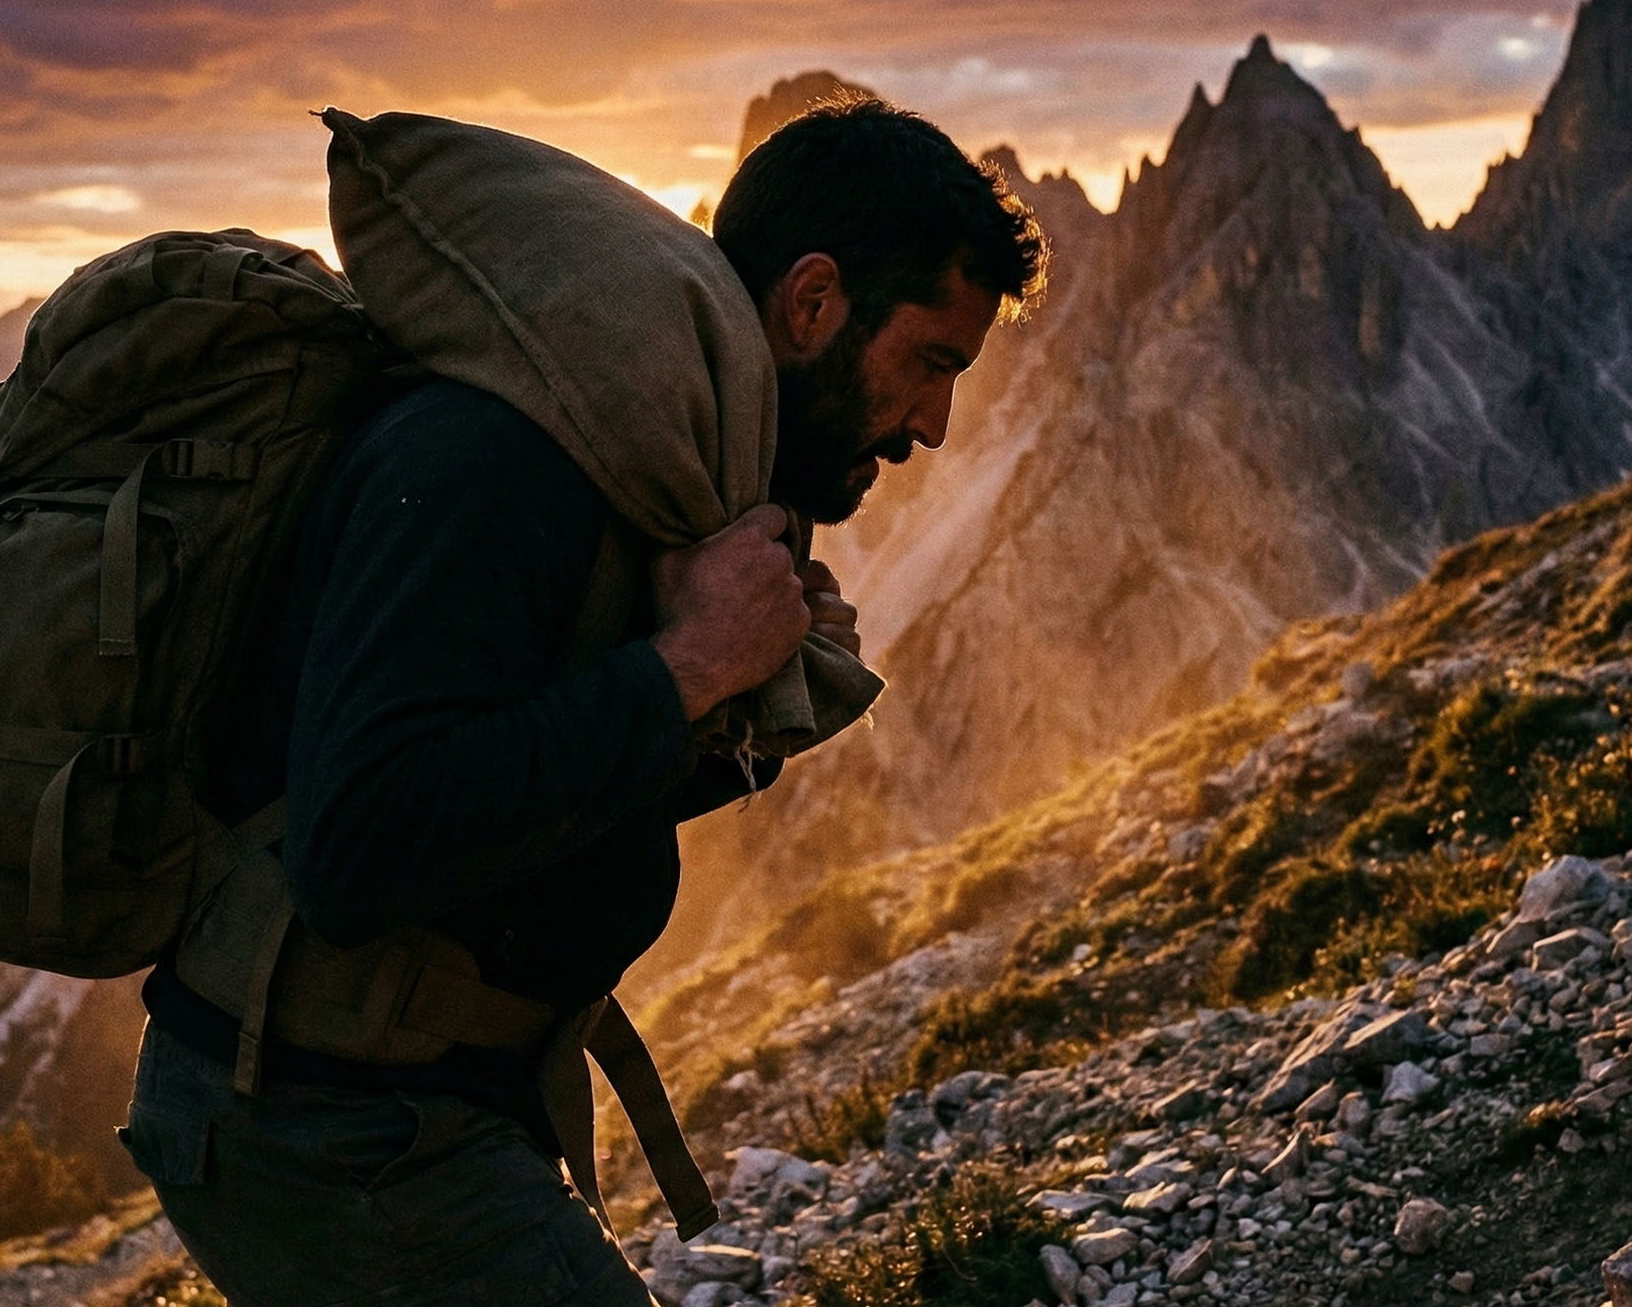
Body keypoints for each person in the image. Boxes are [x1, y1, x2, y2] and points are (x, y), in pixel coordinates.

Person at [121, 97, 1046, 1304]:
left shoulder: (656, 465)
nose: (934, 424)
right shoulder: (495, 464)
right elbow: (362, 846)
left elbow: (527, 803)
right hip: (330, 1128)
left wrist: (723, 714)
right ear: (814, 303)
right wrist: (688, 667)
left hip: (419, 1104)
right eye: (931, 361)